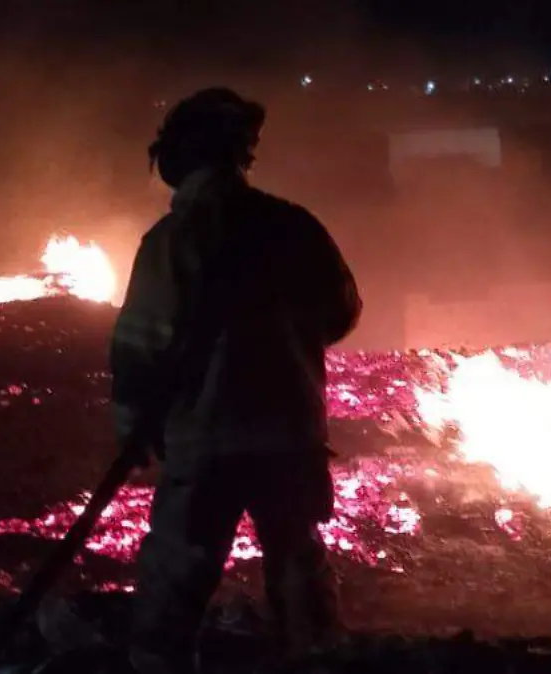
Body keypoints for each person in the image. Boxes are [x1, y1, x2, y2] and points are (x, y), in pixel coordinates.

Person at [110, 87, 362, 673]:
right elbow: (342, 313)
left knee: (176, 581)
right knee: (299, 569)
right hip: (289, 438)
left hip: (205, 446)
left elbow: (137, 350)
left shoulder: (169, 244)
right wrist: (283, 342)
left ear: (178, 160)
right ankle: (318, 661)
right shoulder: (295, 227)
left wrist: (131, 430)